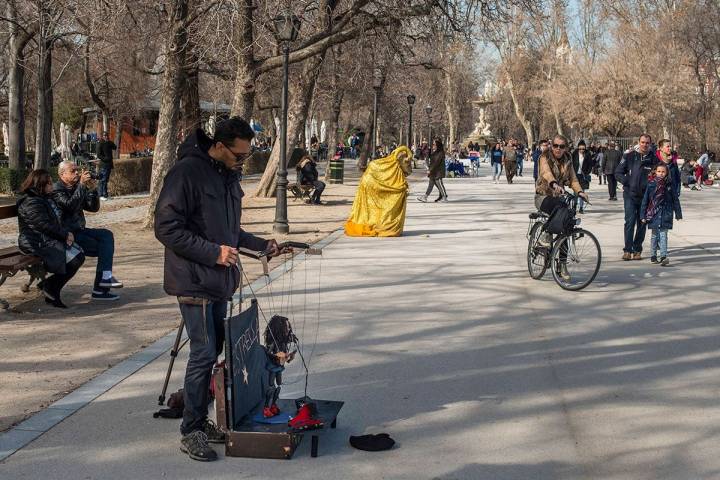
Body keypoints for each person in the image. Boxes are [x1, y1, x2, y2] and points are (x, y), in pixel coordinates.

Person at [154, 117, 285, 462]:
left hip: (218, 281)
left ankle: (200, 417)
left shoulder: (227, 175)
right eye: (239, 156)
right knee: (203, 353)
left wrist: (262, 245)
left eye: (246, 156)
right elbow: (166, 228)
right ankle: (192, 429)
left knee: (214, 354)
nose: (242, 162)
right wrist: (213, 252)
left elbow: (231, 232)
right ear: (219, 145)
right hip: (193, 279)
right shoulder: (186, 173)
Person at [52, 161, 122, 300]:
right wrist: (82, 186)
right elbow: (69, 206)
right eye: (73, 171)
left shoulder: (76, 187)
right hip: (66, 235)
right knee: (104, 248)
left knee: (106, 235)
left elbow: (92, 208)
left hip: (79, 230)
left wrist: (93, 190)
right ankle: (100, 289)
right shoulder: (57, 189)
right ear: (62, 174)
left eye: (77, 170)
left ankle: (105, 279)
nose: (77, 173)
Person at [17, 170, 85, 308]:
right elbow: (43, 225)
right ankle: (51, 288)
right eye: (48, 183)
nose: (52, 185)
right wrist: (65, 235)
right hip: (34, 243)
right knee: (75, 259)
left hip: (44, 240)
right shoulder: (31, 201)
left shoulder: (42, 198)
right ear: (40, 185)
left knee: (78, 255)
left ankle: (49, 287)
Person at [535, 135, 589, 279]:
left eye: (562, 146)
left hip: (558, 197)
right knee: (560, 205)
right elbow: (546, 172)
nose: (558, 149)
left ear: (566, 148)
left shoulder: (568, 160)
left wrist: (580, 192)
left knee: (567, 226)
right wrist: (554, 184)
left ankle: (562, 265)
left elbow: (573, 180)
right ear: (552, 146)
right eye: (556, 146)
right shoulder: (544, 157)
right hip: (543, 196)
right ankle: (546, 234)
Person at [345, 146, 413, 237]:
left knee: (369, 208)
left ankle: (372, 222)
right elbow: (394, 186)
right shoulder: (393, 170)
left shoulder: (385, 166)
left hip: (367, 184)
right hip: (369, 185)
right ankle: (383, 225)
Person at [615, 134, 657, 261]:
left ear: (650, 144)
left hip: (645, 197)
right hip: (630, 195)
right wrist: (627, 181)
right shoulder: (629, 156)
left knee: (642, 223)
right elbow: (618, 173)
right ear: (638, 142)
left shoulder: (653, 159)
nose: (645, 145)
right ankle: (627, 250)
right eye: (643, 142)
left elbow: (660, 174)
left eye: (647, 143)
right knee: (630, 221)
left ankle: (637, 249)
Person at [640, 163, 682, 266]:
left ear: (667, 173)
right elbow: (645, 200)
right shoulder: (651, 184)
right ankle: (653, 255)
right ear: (655, 172)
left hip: (666, 213)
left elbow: (675, 199)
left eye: (663, 172)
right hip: (653, 213)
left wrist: (678, 212)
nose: (661, 173)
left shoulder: (670, 184)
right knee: (654, 235)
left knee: (664, 235)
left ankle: (663, 256)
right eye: (659, 171)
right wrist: (642, 215)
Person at [571, 140, 593, 213]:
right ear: (578, 148)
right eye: (580, 149)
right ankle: (574, 206)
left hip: (583, 176)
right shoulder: (574, 153)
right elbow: (571, 164)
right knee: (575, 192)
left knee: (582, 192)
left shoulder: (587, 154)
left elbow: (590, 164)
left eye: (583, 149)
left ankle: (581, 208)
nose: (581, 150)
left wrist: (587, 172)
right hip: (575, 175)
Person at [96, 132, 116, 201]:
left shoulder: (109, 143)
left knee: (106, 180)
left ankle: (105, 194)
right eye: (104, 135)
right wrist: (105, 159)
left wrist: (110, 142)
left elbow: (115, 147)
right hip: (103, 164)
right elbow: (98, 154)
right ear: (102, 136)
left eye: (107, 135)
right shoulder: (100, 143)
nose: (106, 137)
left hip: (109, 164)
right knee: (102, 180)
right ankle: (101, 195)